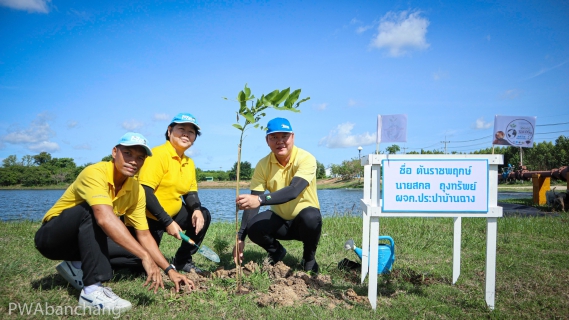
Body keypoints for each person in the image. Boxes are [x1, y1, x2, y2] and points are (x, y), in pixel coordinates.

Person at [34, 132, 194, 313]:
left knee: (135, 251)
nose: (134, 161)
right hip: (52, 239)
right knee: (92, 211)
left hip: (80, 243)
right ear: (114, 152)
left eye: (140, 158)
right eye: (128, 154)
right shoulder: (94, 172)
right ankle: (92, 290)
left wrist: (169, 270)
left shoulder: (136, 190)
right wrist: (145, 256)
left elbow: (144, 235)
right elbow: (103, 217)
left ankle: (75, 265)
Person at [108, 113, 211, 273]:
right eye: (181, 129)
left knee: (203, 214)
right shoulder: (158, 155)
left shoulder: (189, 163)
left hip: (172, 214)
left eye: (191, 132)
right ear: (169, 131)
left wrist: (196, 210)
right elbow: (145, 192)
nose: (186, 134)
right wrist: (168, 222)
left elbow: (190, 193)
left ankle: (183, 261)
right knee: (140, 263)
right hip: (148, 218)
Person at [233, 117, 322, 273]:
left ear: (292, 137)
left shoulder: (306, 158)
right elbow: (253, 201)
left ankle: (308, 258)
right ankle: (277, 252)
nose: (279, 141)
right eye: (274, 137)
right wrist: (240, 237)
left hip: (303, 223)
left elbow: (293, 190)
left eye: (284, 136)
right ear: (267, 140)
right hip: (280, 220)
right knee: (253, 226)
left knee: (311, 217)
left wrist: (260, 200)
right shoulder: (263, 164)